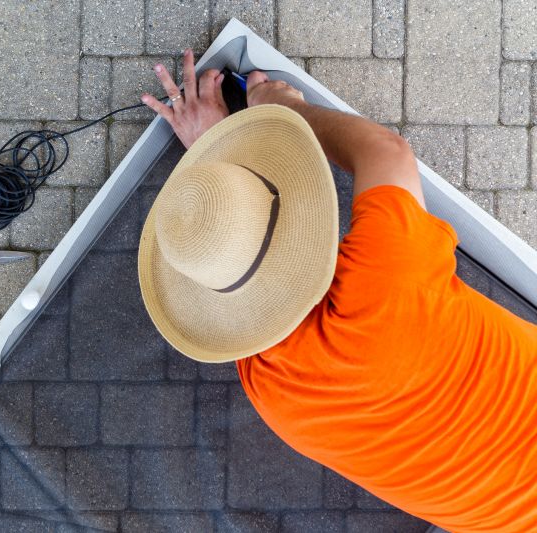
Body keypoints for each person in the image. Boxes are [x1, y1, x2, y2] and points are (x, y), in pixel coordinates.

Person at [138, 48, 537, 532]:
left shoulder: (268, 384)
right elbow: (386, 152)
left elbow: (261, 274)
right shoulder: (387, 281)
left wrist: (217, 166)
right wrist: (281, 110)